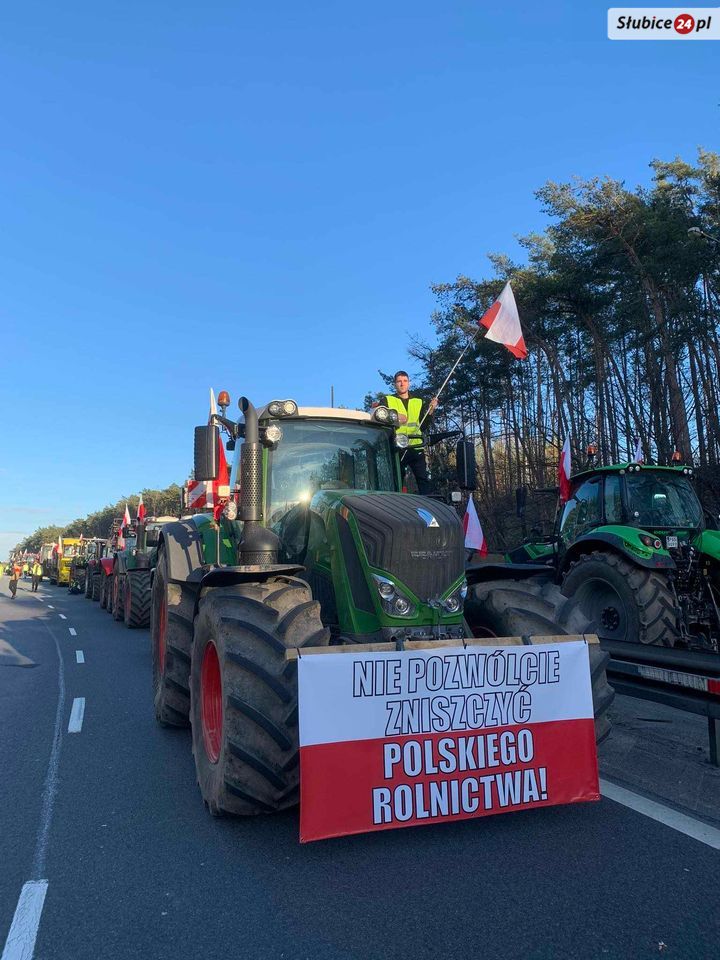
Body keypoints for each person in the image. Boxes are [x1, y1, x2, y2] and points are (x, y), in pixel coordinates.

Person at [384, 371, 438, 495]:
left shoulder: (418, 401)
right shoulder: (387, 400)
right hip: (397, 448)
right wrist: (396, 417)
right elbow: (380, 417)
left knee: (423, 480)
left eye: (405, 381)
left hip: (416, 447)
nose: (402, 384)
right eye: (399, 381)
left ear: (409, 383)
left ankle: (427, 504)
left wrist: (430, 411)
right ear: (395, 384)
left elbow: (423, 425)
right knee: (396, 481)